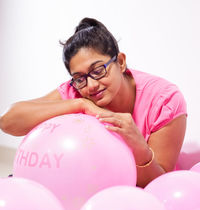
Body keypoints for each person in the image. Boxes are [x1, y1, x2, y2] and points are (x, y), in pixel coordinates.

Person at [0, 17, 187, 187]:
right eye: (79, 78)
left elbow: (160, 185)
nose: (90, 85)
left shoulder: (164, 100)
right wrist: (80, 105)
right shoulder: (76, 91)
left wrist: (139, 146)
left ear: (120, 62)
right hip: (81, 188)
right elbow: (7, 121)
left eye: (98, 70)